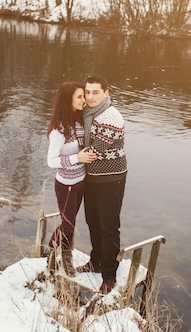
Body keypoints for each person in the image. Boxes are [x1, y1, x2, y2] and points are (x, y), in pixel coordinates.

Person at [76, 74, 127, 294]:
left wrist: (68, 157)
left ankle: (109, 275)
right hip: (91, 178)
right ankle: (95, 261)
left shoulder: (111, 116)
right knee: (92, 222)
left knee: (108, 227)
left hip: (111, 178)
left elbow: (94, 152)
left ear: (106, 93)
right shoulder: (87, 113)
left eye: (96, 92)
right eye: (87, 92)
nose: (90, 96)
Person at [46, 81, 96, 277]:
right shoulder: (59, 129)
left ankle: (63, 257)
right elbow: (51, 161)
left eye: (84, 96)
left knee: (71, 223)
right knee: (68, 225)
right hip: (66, 185)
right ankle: (55, 254)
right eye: (79, 97)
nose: (84, 100)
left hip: (81, 182)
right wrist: (78, 158)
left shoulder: (80, 121)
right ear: (68, 100)